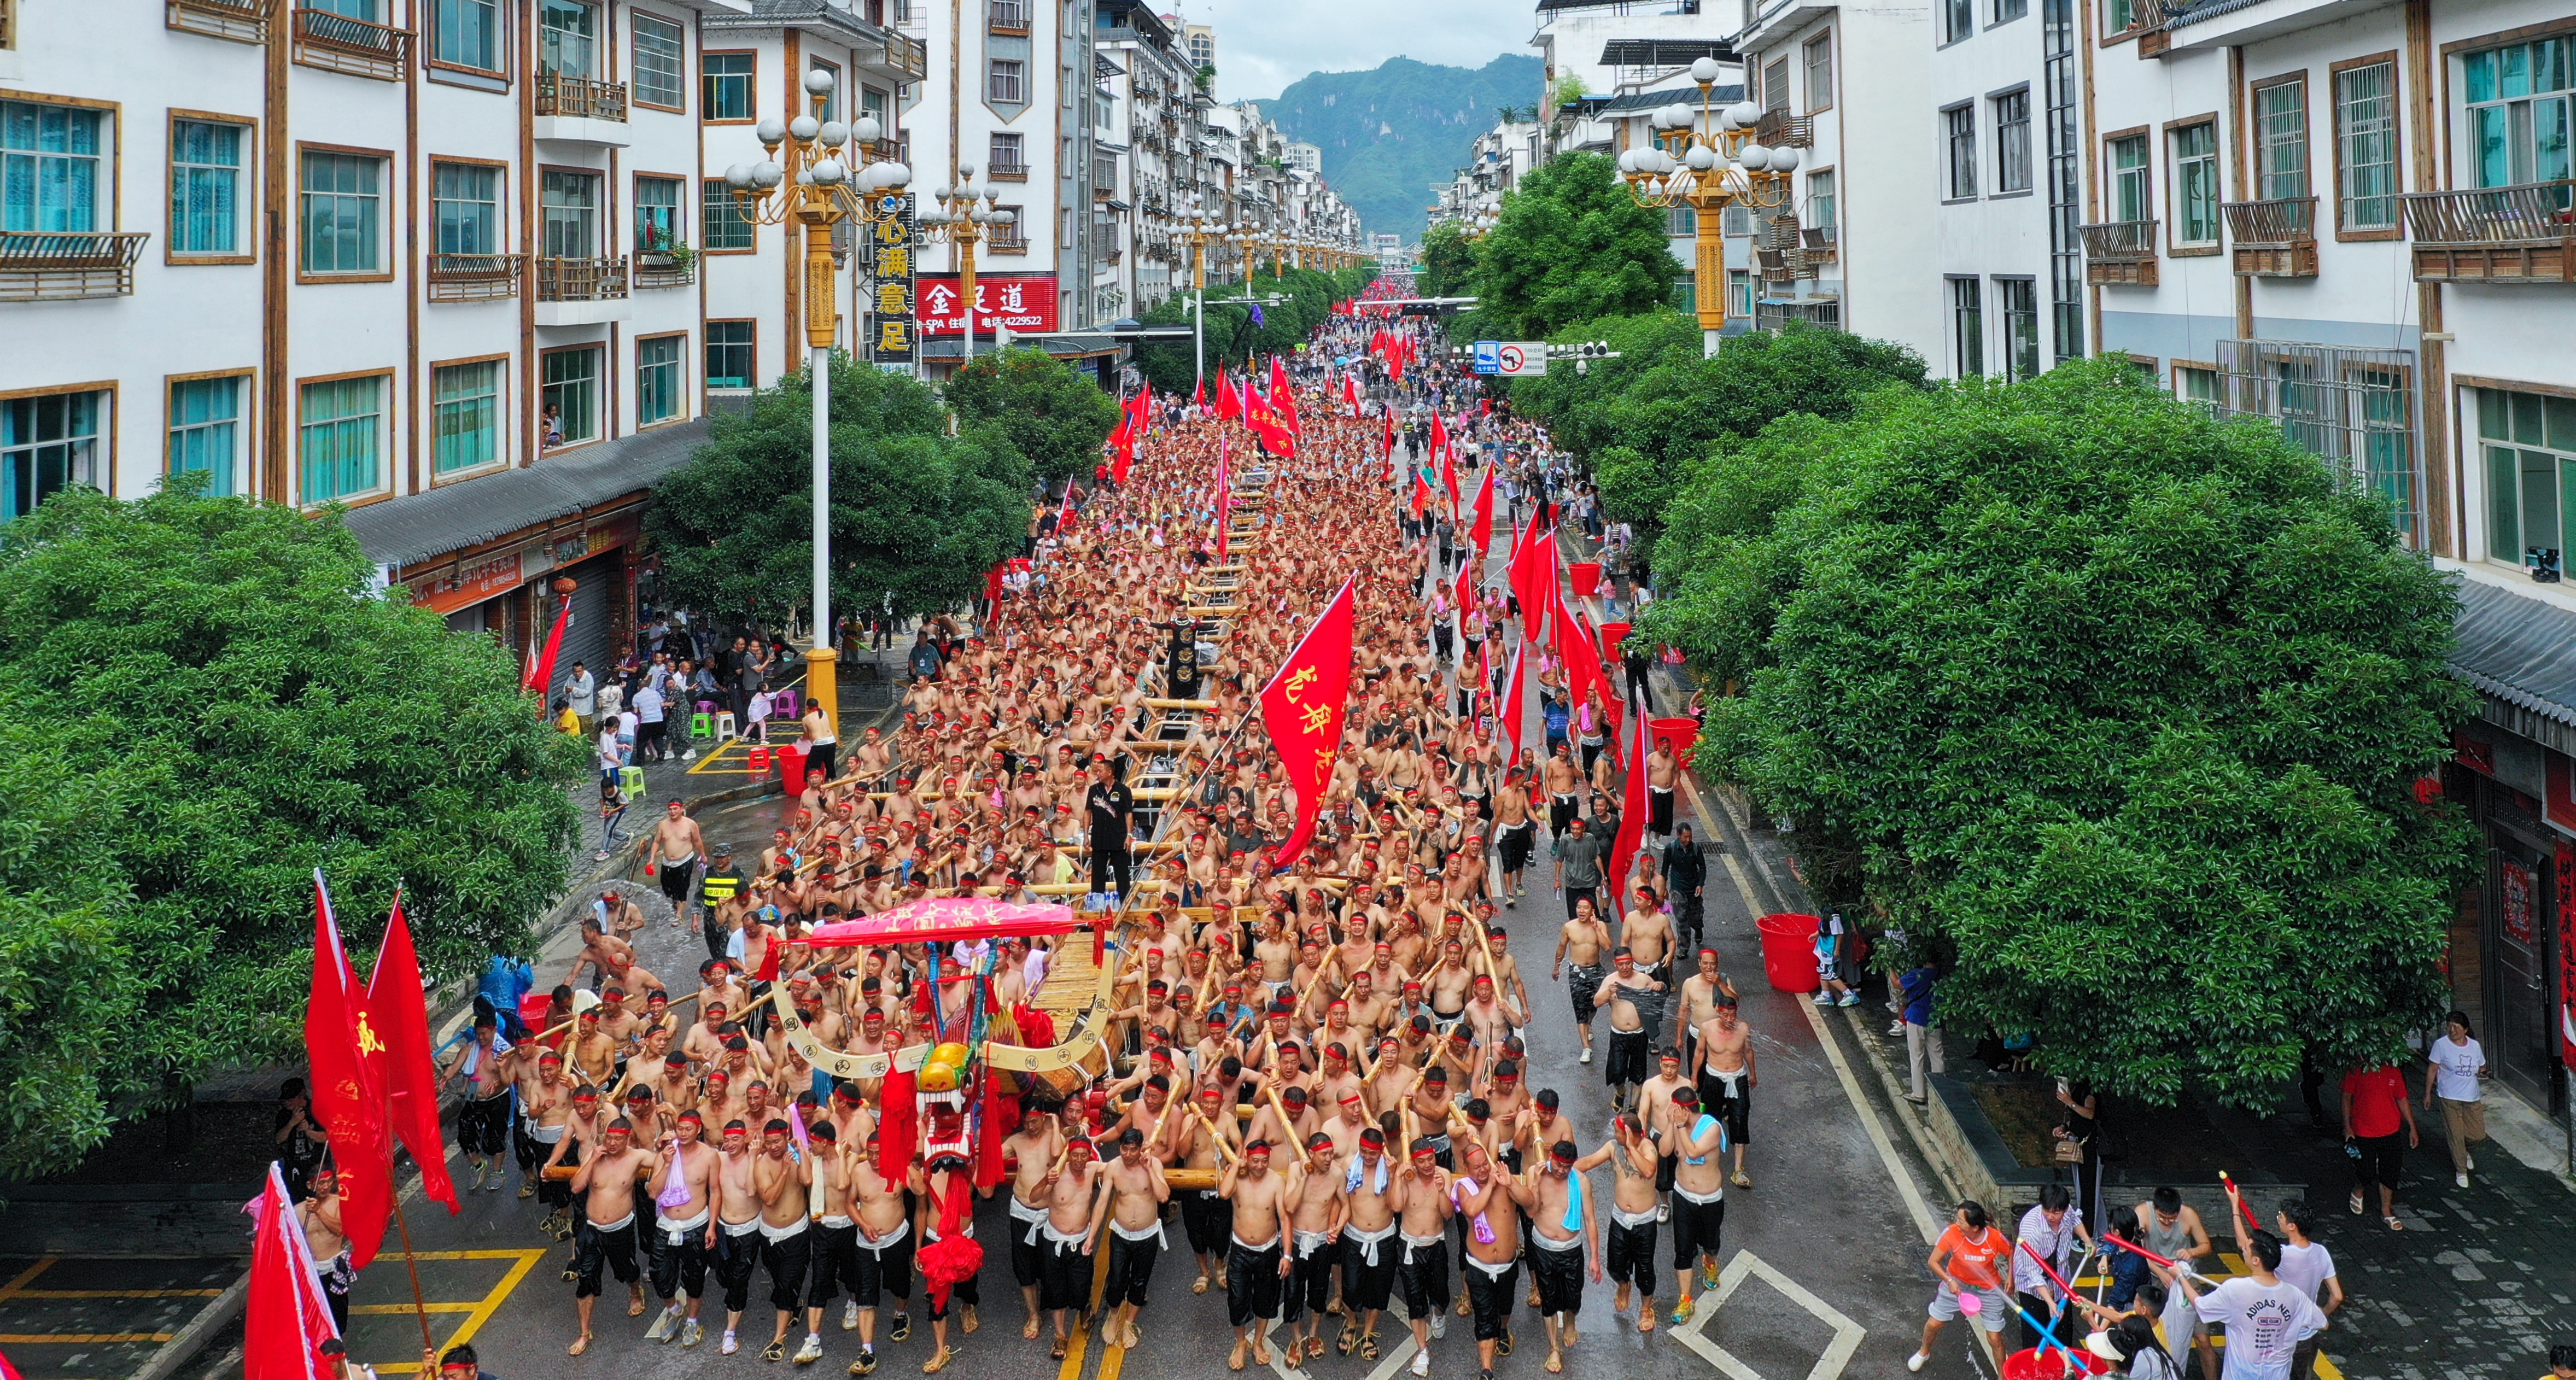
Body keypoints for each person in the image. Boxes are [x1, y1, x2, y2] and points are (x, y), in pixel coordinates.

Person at [2175, 1227, 2327, 1380]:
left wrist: (2181, 1276)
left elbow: (2200, 1306)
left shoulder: (2235, 1289)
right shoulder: (2295, 1295)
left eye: (2246, 1248)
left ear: (2256, 1261)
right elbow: (2322, 1323)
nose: (2243, 1250)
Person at [2223, 1184, 2340, 1380]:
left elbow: (2245, 1245)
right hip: (2307, 1336)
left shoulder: (2283, 1256)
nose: (2279, 1219)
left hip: (2279, 1335)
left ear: (2292, 1226)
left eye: (2281, 1216)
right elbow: (2337, 1297)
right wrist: (2318, 1316)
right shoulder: (2321, 1252)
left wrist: (2235, 1206)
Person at [1908, 1200, 2010, 1375]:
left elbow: (2011, 1251)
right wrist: (1949, 1280)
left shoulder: (1994, 1238)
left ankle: (2003, 1376)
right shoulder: (1952, 1233)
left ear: (1975, 1228)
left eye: (1961, 1221)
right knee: (1934, 1324)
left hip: (1988, 1289)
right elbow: (1933, 1261)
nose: (1957, 1224)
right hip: (1957, 1283)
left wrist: (2011, 1277)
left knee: (1995, 1338)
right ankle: (1924, 1352)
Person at [2340, 1060, 2417, 1230]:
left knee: (2390, 1171)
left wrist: (2412, 1127)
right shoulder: (2356, 1069)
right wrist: (2347, 1127)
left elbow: (2402, 1098)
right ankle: (2359, 1189)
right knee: (2365, 1169)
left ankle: (2386, 1210)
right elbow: (2346, 1097)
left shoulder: (2394, 1071)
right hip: (2363, 1130)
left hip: (2391, 1130)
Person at [2013, 1184, 2090, 1350]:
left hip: (2060, 1282)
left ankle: (2063, 1364)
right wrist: (2050, 1302)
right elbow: (2033, 1272)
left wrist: (2087, 1240)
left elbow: (2075, 1220)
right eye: (2047, 1211)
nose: (2051, 1216)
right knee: (2035, 1339)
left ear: (2064, 1210)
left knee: (2063, 1337)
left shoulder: (2067, 1211)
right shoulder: (2031, 1230)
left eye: (2056, 1213)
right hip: (2033, 1288)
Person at [2423, 1010, 2489, 1190]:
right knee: (2455, 1134)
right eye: (2449, 1026)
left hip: (2471, 1097)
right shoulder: (2441, 1045)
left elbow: (2481, 1067)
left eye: (2456, 1027)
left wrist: (2484, 1073)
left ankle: (2463, 1151)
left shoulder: (2474, 1046)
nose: (2452, 1030)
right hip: (2449, 1097)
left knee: (2477, 1135)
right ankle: (2461, 1170)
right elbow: (2432, 1069)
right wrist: (2428, 1093)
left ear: (2465, 1029)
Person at [646, 799, 706, 930]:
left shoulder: (690, 824)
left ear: (682, 809)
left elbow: (697, 841)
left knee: (681, 888)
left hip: (685, 861)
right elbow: (657, 842)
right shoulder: (663, 825)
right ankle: (676, 901)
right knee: (667, 887)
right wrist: (652, 859)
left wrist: (703, 855)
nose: (673, 812)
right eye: (670, 809)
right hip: (667, 862)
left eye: (675, 809)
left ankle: (679, 915)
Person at [273, 1078, 328, 1200]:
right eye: (285, 1100)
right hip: (295, 1167)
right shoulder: (284, 1115)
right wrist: (292, 1123)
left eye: (291, 1099)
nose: (287, 1103)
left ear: (302, 1095)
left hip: (316, 1164)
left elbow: (326, 1138)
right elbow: (279, 1140)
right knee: (296, 1199)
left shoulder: (316, 1110)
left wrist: (308, 1131)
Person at [1896, 960, 1941, 1103]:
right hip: (1936, 1020)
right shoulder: (1942, 976)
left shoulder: (1917, 974)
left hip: (1916, 1018)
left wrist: (1890, 968)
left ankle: (1919, 1093)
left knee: (1917, 1057)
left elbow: (1897, 984)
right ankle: (1940, 1092)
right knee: (1937, 1055)